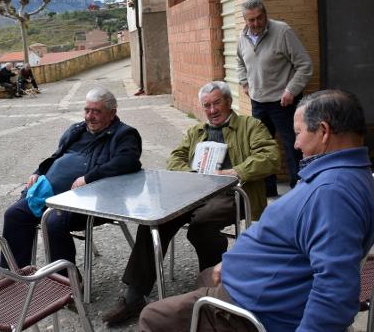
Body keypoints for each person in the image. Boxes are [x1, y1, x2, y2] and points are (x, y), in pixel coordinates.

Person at [139, 89, 374, 332]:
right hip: (258, 282)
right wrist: (232, 263)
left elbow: (335, 292)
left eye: (298, 133)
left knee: (152, 316)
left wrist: (232, 173)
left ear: (323, 132)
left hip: (253, 308)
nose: (295, 144)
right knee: (205, 274)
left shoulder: (331, 194)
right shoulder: (348, 174)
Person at [103, 81, 280, 326]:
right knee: (155, 220)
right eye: (206, 105)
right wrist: (191, 173)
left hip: (235, 193)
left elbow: (271, 157)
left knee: (201, 225)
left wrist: (235, 171)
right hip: (195, 193)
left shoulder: (251, 125)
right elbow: (175, 157)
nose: (212, 110)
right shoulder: (197, 131)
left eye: (217, 103)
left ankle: (213, 290)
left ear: (228, 102)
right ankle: (135, 295)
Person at [0, 87, 142, 270]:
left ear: (112, 113)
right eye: (87, 110)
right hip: (50, 194)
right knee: (14, 215)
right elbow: (56, 156)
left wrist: (89, 178)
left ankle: (67, 283)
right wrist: (38, 172)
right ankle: (14, 273)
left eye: (96, 111)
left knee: (52, 222)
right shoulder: (77, 130)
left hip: (90, 201)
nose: (89, 116)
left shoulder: (124, 134)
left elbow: (128, 162)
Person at [237, 0, 313, 195]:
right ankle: (267, 190)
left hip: (284, 101)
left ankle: (299, 190)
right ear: (245, 20)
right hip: (258, 102)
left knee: (293, 146)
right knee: (262, 148)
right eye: (251, 20)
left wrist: (291, 91)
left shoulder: (282, 31)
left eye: (259, 18)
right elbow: (240, 62)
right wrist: (244, 82)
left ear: (265, 15)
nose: (256, 23)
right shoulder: (242, 36)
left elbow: (305, 64)